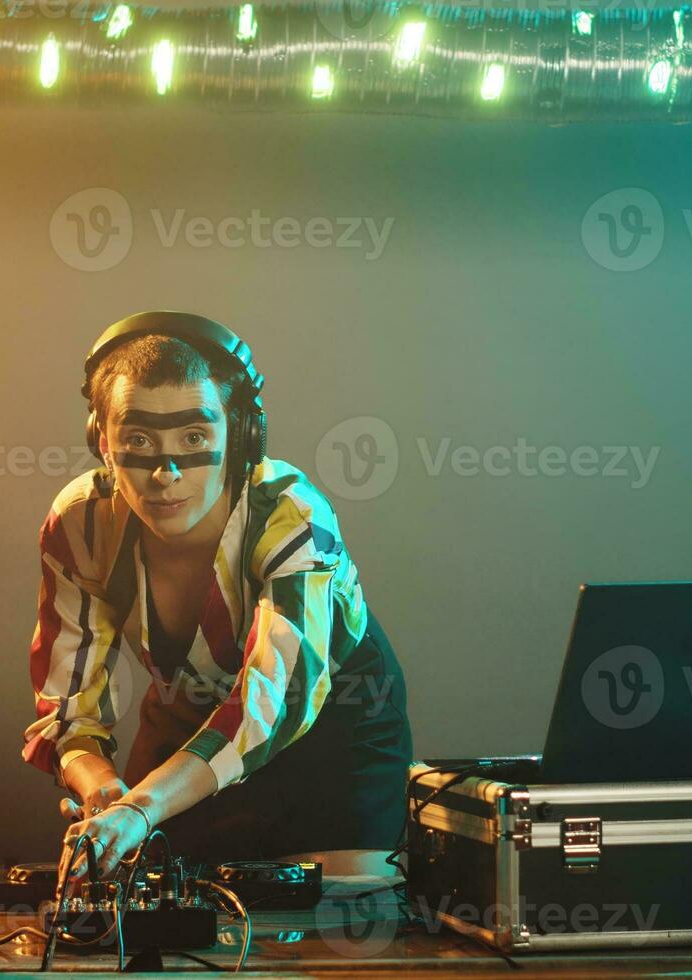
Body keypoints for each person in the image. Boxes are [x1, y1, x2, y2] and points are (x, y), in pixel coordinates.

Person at [20, 311, 413, 884]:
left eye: (195, 437)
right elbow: (67, 708)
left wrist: (142, 805)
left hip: (333, 729)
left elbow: (272, 703)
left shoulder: (293, 514)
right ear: (101, 442)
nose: (166, 471)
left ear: (240, 437)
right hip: (186, 722)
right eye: (137, 440)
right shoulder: (79, 522)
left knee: (341, 917)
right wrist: (101, 787)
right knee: (160, 906)